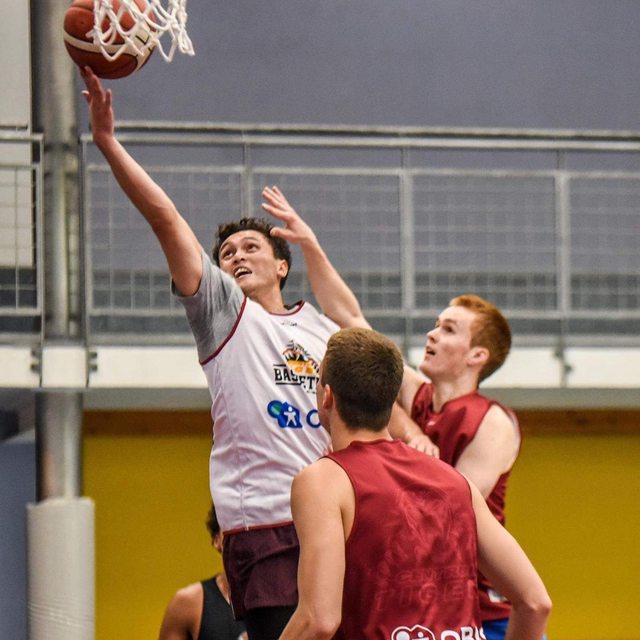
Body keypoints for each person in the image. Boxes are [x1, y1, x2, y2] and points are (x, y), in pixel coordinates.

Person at [80, 66, 384, 639]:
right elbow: (166, 219)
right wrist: (108, 143)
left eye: (251, 247)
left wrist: (312, 243)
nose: (237, 255)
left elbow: (357, 322)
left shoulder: (321, 329)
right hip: (265, 523)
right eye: (227, 252)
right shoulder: (224, 313)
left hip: (337, 517)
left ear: (282, 264)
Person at [279, 327, 551, 640]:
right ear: (389, 400)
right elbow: (535, 603)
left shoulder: (324, 480)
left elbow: (318, 620)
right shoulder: (455, 481)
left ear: (327, 396)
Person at [395, 294, 522, 640]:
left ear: (476, 355)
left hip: (485, 613)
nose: (432, 334)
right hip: (428, 606)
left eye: (448, 329)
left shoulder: (491, 421)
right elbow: (354, 325)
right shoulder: (418, 400)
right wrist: (411, 432)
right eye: (436, 325)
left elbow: (448, 518)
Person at [158, 505, 248, 640]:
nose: (245, 539)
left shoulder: (283, 603)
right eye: (234, 528)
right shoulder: (188, 604)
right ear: (217, 539)